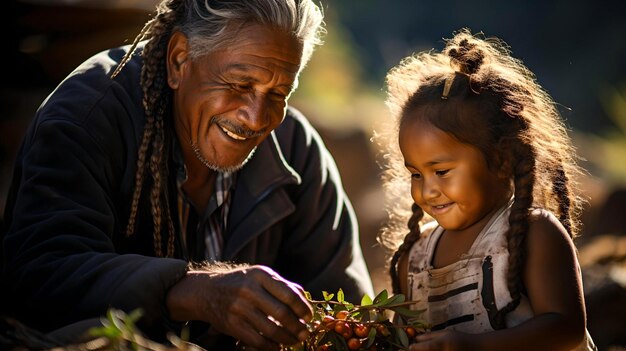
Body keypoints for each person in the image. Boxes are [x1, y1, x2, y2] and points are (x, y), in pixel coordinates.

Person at [0, 0, 374, 350]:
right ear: (179, 60)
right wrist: (194, 291)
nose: (257, 118)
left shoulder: (295, 150)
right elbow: (41, 275)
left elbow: (347, 311)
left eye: (278, 93)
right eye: (240, 84)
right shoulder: (87, 116)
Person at [376, 29, 597, 350]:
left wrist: (476, 346)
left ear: (502, 159)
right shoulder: (415, 258)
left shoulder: (533, 235)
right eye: (416, 174)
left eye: (441, 171)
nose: (429, 190)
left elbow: (567, 329)